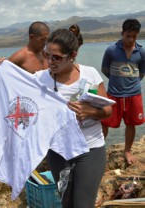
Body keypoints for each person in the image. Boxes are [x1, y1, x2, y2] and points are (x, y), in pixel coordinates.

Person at [35, 28, 112, 208]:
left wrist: (90, 112)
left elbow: (108, 111)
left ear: (73, 55)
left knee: (83, 204)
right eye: (47, 55)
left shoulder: (90, 74)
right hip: (58, 151)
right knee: (66, 203)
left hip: (90, 148)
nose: (50, 61)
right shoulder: (39, 79)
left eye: (57, 57)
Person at [101, 18, 145, 165]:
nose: (131, 39)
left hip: (134, 95)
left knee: (131, 123)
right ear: (122, 33)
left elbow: (142, 72)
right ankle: (98, 151)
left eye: (134, 36)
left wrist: (131, 84)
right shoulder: (111, 50)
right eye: (128, 36)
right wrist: (118, 83)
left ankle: (127, 150)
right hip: (114, 94)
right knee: (105, 123)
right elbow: (105, 70)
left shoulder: (141, 51)